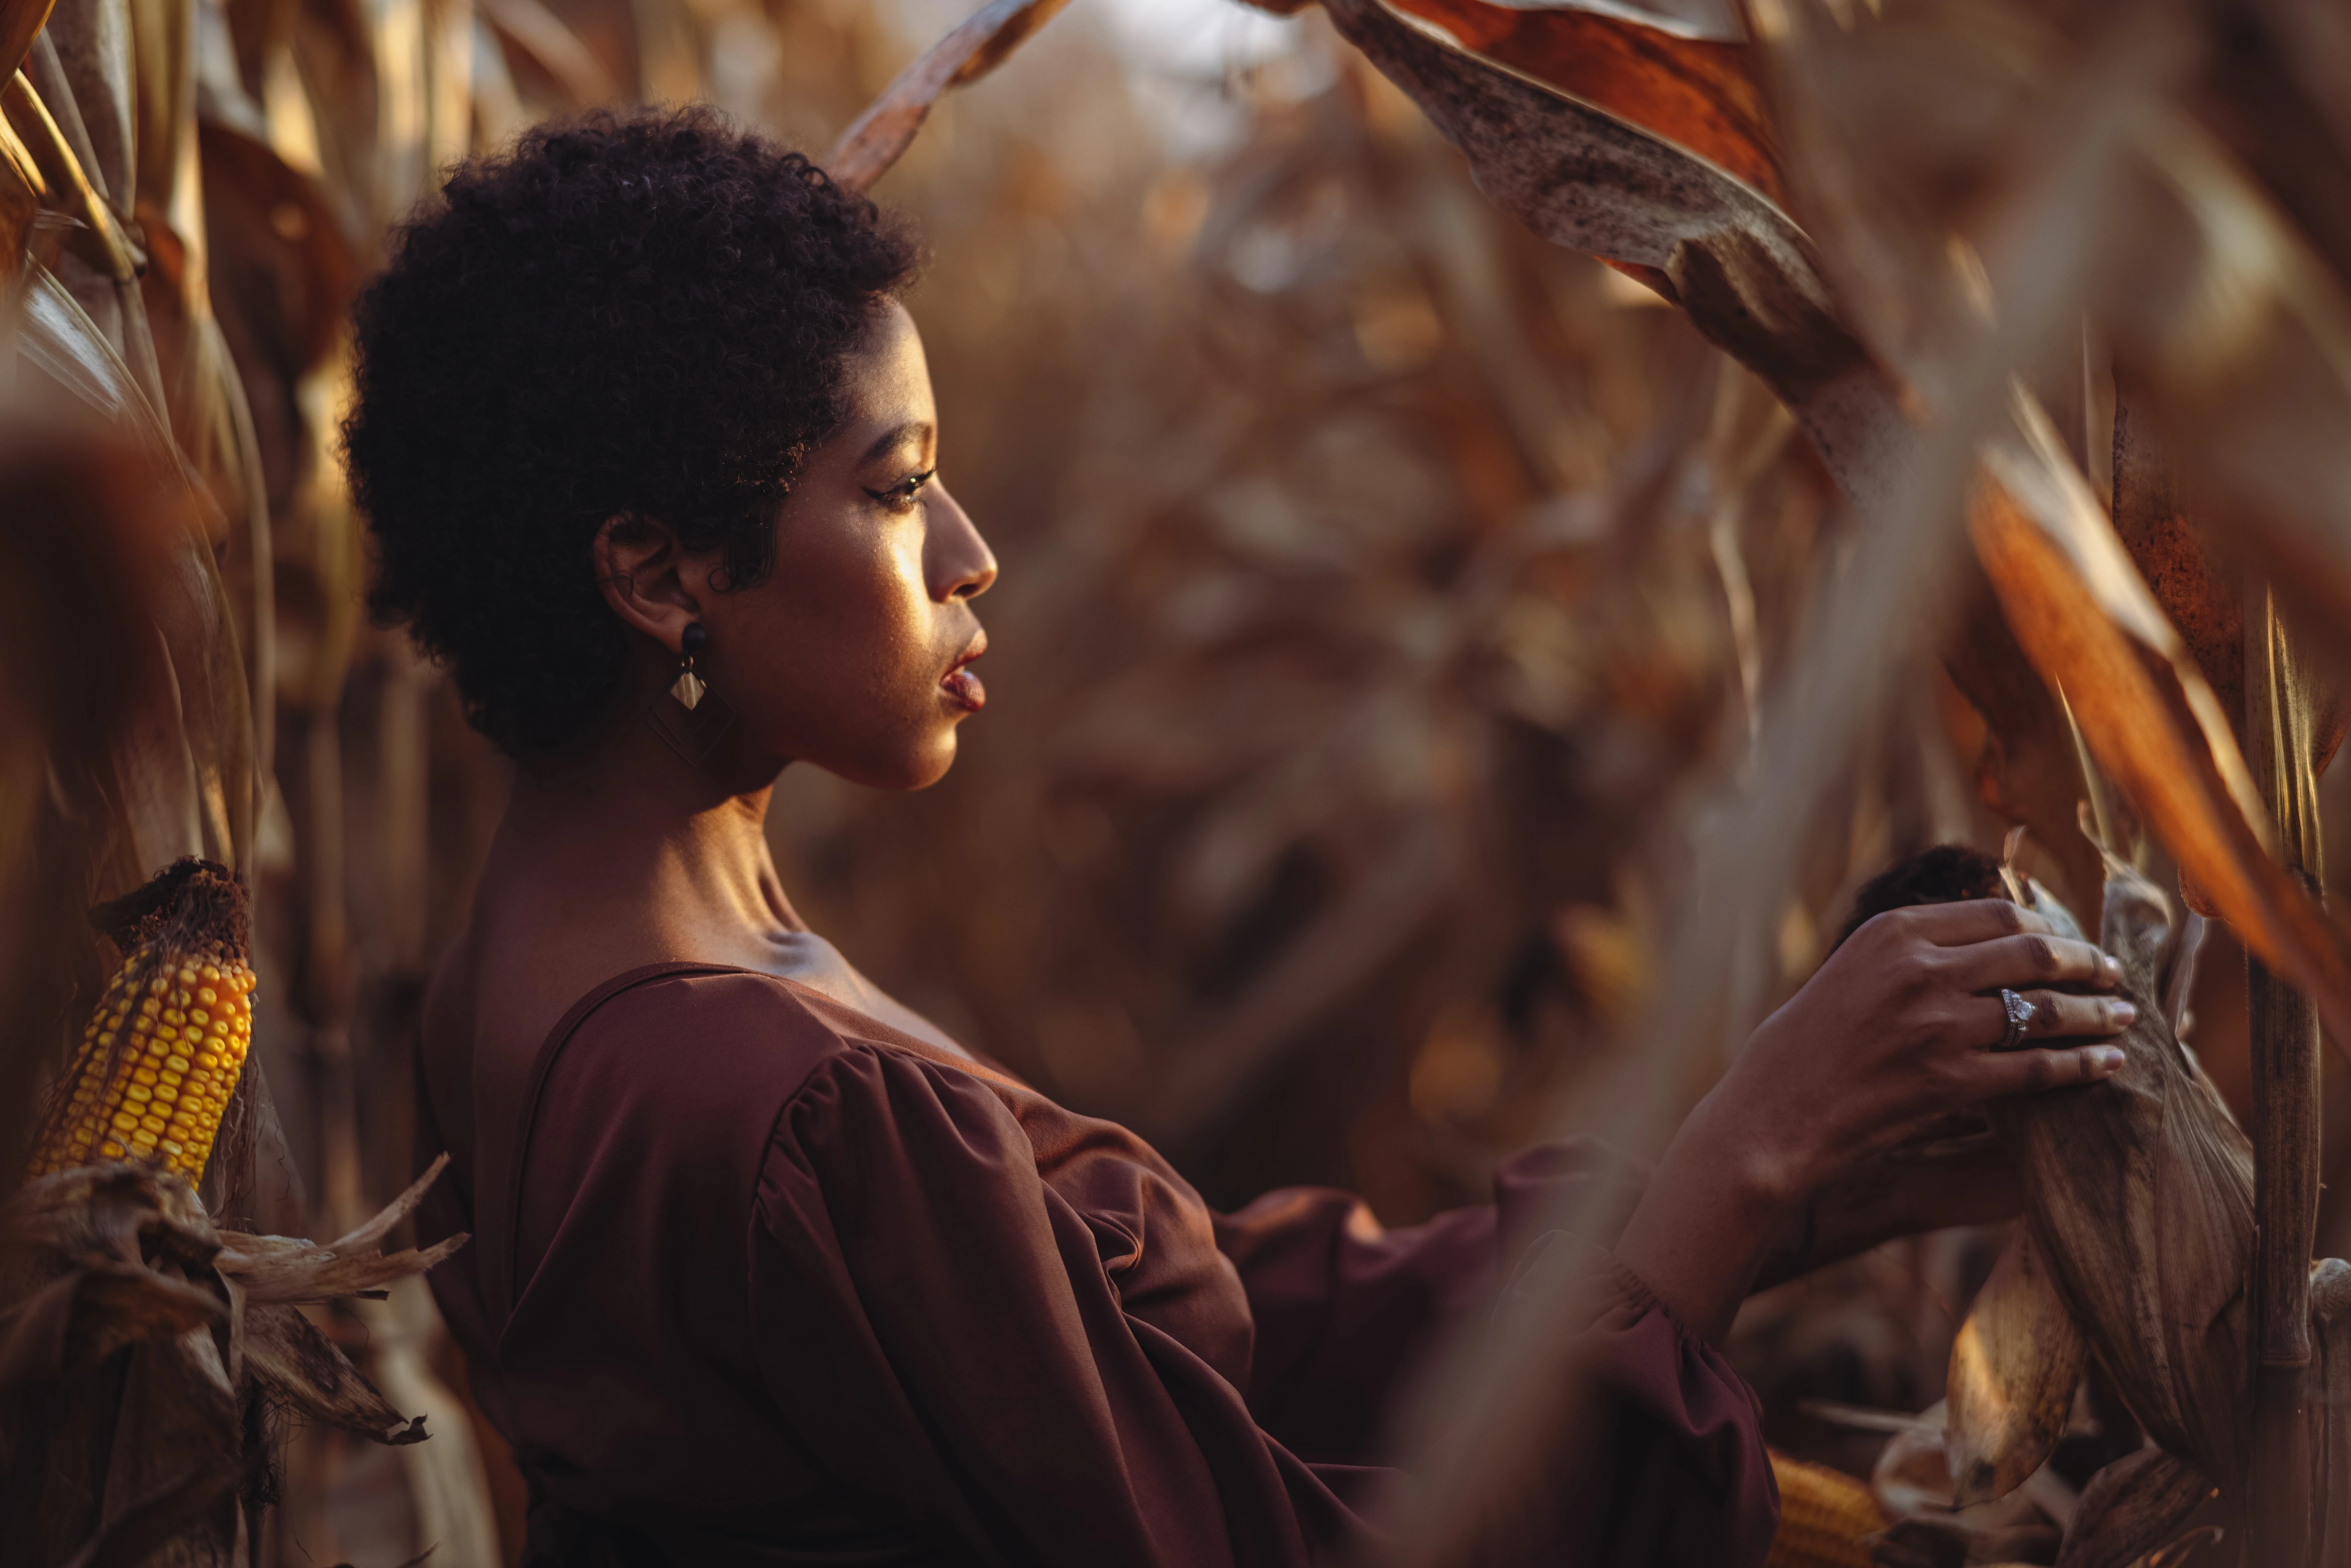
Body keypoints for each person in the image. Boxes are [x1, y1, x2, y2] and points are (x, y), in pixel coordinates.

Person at [353, 107, 2136, 1567]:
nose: (972, 553)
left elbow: (1170, 1333)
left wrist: (1775, 1165)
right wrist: (1730, 1180)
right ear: (657, 572)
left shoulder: (552, 971)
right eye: (896, 491)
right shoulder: (779, 1101)